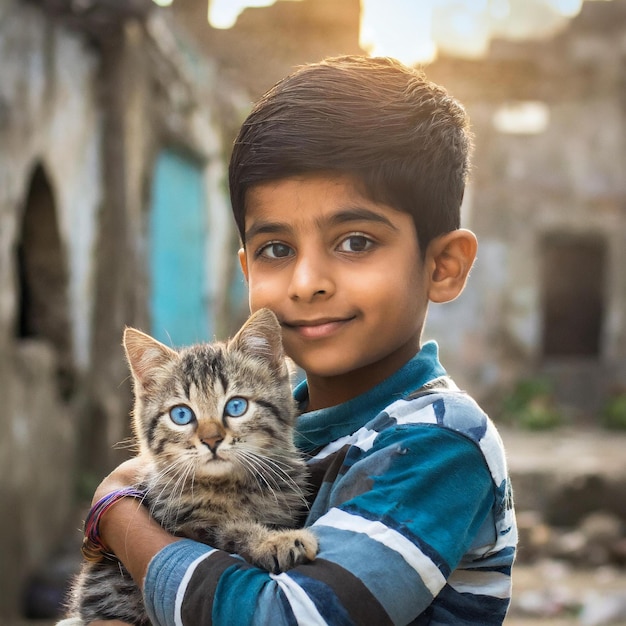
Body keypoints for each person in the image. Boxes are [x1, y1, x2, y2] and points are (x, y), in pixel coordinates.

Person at [88, 55, 517, 625]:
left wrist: (117, 516)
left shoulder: (439, 441)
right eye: (276, 250)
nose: (307, 283)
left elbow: (283, 616)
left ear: (442, 266)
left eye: (356, 242)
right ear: (247, 272)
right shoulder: (290, 424)